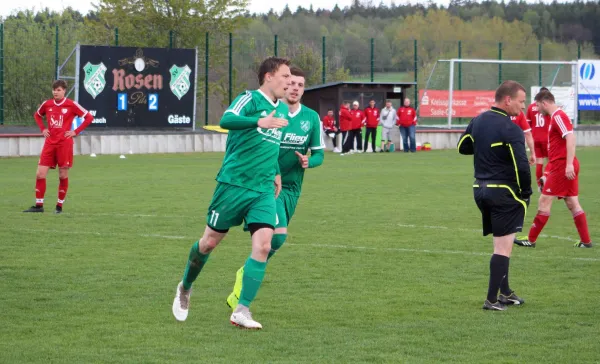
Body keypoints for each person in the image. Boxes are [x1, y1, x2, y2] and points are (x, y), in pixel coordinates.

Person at [171, 57, 291, 330]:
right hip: (233, 185)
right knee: (208, 243)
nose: (288, 81)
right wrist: (259, 121)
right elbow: (227, 119)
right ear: (269, 76)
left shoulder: (279, 110)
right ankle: (186, 286)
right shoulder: (248, 99)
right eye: (284, 76)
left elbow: (268, 146)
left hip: (261, 190)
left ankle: (242, 309)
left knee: (263, 245)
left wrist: (275, 171)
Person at [225, 66, 325, 311]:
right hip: (266, 183)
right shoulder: (271, 111)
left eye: (300, 85)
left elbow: (320, 154)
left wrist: (308, 161)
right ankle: (243, 298)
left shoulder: (311, 118)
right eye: (291, 83)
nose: (295, 88)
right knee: (277, 236)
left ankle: (247, 270)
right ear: (284, 84)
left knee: (277, 242)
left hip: (293, 187)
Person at [457, 80, 532, 311]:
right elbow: (522, 165)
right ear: (507, 100)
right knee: (503, 249)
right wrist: (526, 192)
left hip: (480, 190)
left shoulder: (478, 120)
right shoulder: (512, 129)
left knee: (501, 243)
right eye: (521, 102)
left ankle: (506, 292)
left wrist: (485, 146)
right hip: (504, 192)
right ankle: (491, 300)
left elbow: (462, 146)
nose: (523, 107)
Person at [515, 90, 593, 248]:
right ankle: (586, 242)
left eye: (537, 106)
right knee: (572, 202)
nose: (537, 110)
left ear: (544, 103)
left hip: (563, 166)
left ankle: (530, 240)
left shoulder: (558, 116)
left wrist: (569, 164)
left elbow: (570, 137)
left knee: (544, 201)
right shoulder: (555, 117)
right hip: (561, 165)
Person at [23, 80, 94, 214]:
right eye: (54, 89)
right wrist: (43, 129)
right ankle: (39, 206)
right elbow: (37, 115)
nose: (56, 92)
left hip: (64, 144)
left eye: (59, 90)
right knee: (40, 174)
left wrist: (75, 132)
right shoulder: (47, 104)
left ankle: (59, 206)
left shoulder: (71, 105)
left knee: (62, 175)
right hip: (49, 144)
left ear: (64, 91)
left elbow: (89, 117)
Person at [526, 87, 550, 191]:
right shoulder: (547, 107)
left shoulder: (531, 107)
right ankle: (545, 177)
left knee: (539, 161)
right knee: (551, 160)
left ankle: (539, 185)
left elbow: (528, 124)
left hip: (535, 138)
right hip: (547, 137)